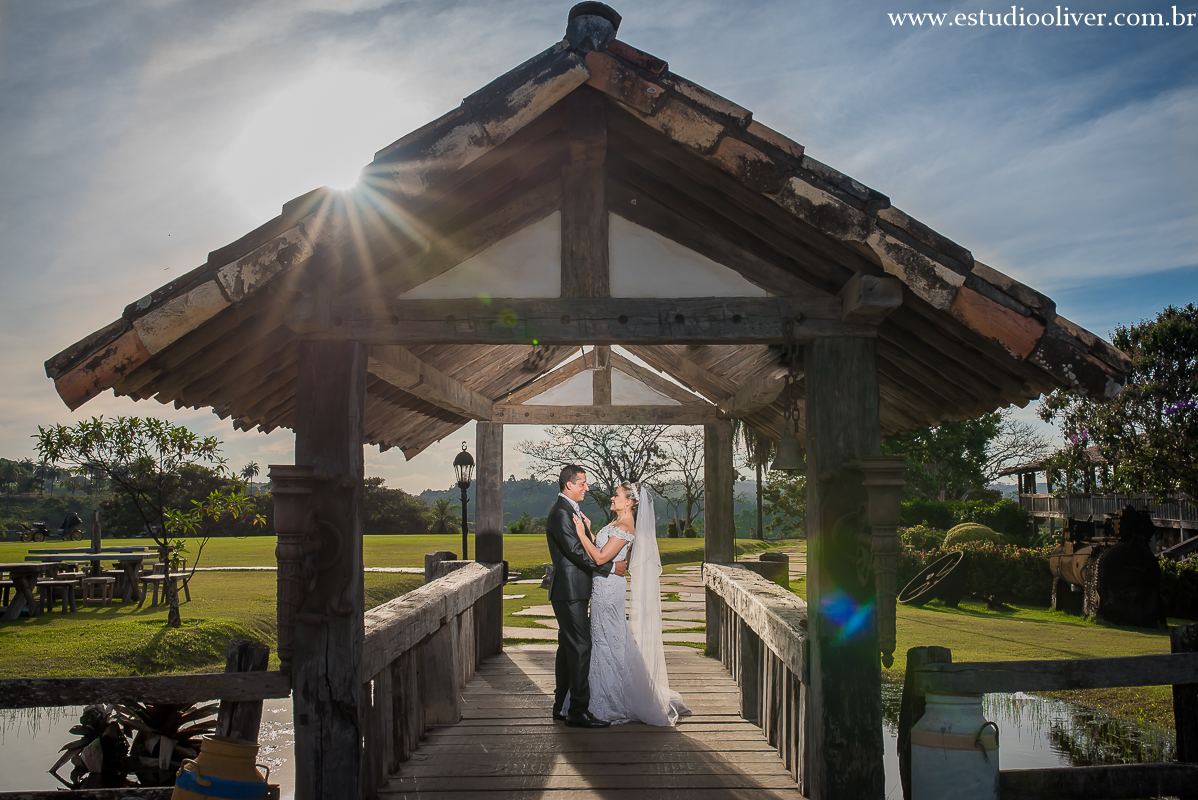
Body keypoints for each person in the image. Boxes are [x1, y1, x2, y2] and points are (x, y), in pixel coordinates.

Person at [569, 480, 690, 726]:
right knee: (603, 638)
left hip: (609, 590)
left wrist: (581, 535)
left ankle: (611, 700)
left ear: (629, 502)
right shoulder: (616, 523)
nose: (612, 498)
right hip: (603, 585)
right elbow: (605, 552)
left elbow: (601, 556)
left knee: (607, 640)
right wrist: (591, 533)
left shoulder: (626, 525)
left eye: (617, 495)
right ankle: (597, 694)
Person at [544, 465, 626, 728]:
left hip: (573, 590)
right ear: (569, 485)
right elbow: (575, 553)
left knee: (568, 648)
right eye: (582, 484)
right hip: (569, 591)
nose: (587, 488)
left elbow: (582, 546)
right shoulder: (561, 513)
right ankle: (578, 710)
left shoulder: (570, 510)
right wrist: (611, 567)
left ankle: (562, 706)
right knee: (581, 647)